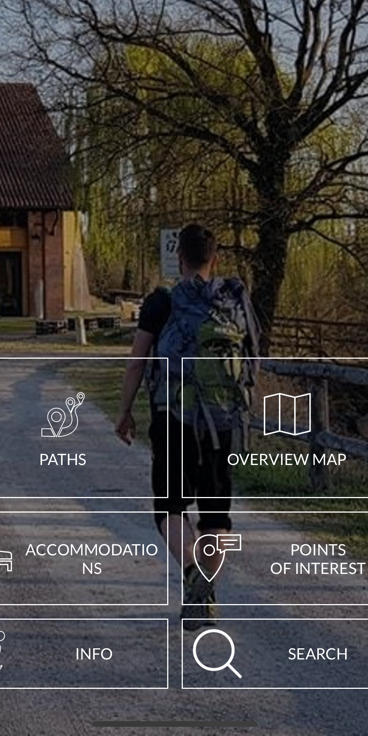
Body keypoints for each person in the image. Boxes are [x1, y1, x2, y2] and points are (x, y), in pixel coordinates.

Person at [115, 223, 259, 629]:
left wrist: (124, 411)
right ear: (215, 258)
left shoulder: (161, 302)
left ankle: (195, 577)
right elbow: (251, 360)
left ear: (179, 258)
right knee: (215, 516)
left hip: (173, 417)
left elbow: (137, 363)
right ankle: (204, 596)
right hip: (222, 420)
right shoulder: (233, 300)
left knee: (170, 507)